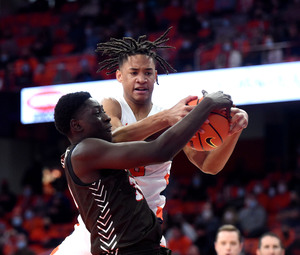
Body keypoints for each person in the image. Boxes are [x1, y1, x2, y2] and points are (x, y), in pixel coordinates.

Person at [51, 28, 248, 254]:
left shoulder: (174, 115)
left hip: (143, 229)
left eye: (148, 72)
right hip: (100, 228)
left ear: (156, 76)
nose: (141, 79)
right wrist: (167, 119)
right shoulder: (109, 108)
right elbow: (114, 140)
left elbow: (208, 166)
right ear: (119, 76)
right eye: (133, 72)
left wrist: (233, 131)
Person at [53, 90, 233, 254]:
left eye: (103, 111)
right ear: (76, 126)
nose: (106, 118)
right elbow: (159, 150)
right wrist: (206, 105)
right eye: (97, 113)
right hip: (124, 249)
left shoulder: (89, 151)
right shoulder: (85, 151)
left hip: (141, 246)